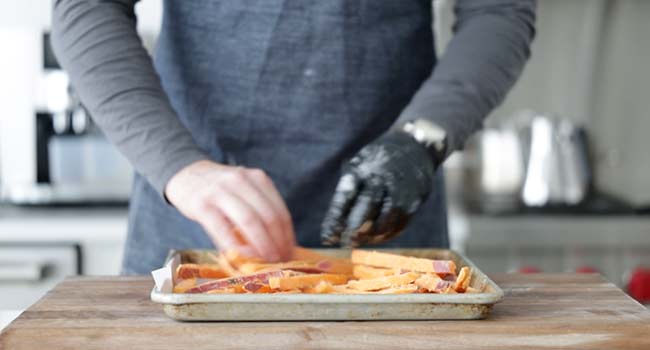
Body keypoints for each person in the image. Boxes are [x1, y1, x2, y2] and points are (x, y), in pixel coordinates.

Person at [51, 0, 536, 274]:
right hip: (195, 224)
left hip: (390, 226)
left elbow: (498, 11)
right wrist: (180, 166)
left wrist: (422, 135)